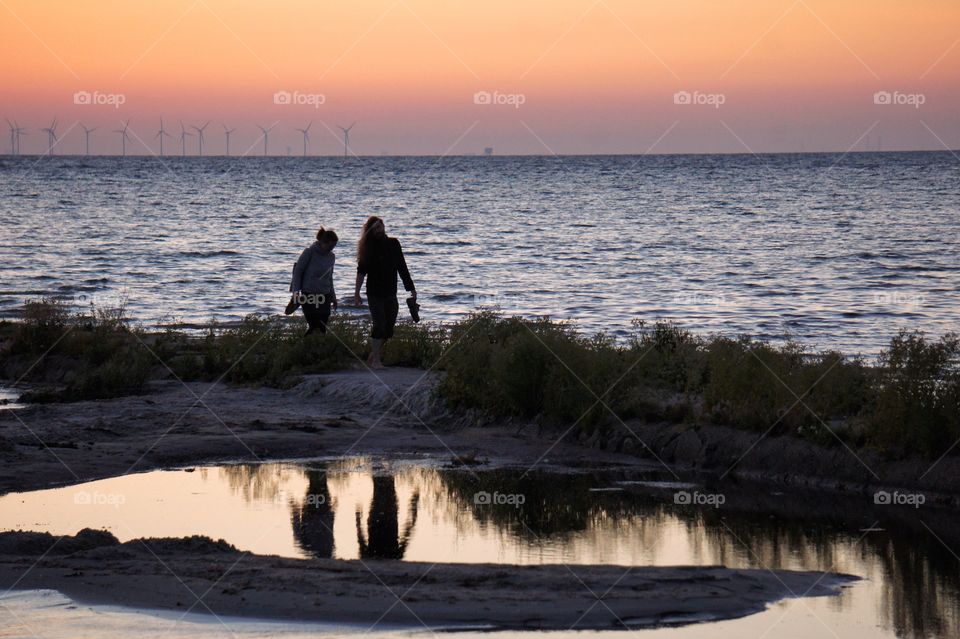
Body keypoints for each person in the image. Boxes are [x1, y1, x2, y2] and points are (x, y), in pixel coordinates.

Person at [353, 216, 415, 369]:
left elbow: (402, 267)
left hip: (391, 291)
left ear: (384, 227)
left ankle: (372, 356)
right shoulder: (368, 248)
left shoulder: (394, 244)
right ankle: (376, 361)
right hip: (374, 292)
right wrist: (356, 293)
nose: (378, 230)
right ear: (370, 231)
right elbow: (361, 272)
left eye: (380, 227)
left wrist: (411, 288)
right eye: (374, 228)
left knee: (389, 328)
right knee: (379, 324)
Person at [290, 227, 339, 336]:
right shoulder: (309, 252)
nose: (332, 249)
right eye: (330, 246)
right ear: (323, 242)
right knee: (314, 325)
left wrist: (333, 297)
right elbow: (298, 272)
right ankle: (304, 348)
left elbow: (329, 277)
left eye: (334, 246)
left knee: (322, 327)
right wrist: (296, 292)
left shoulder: (332, 257)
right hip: (308, 294)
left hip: (325, 294)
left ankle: (318, 350)